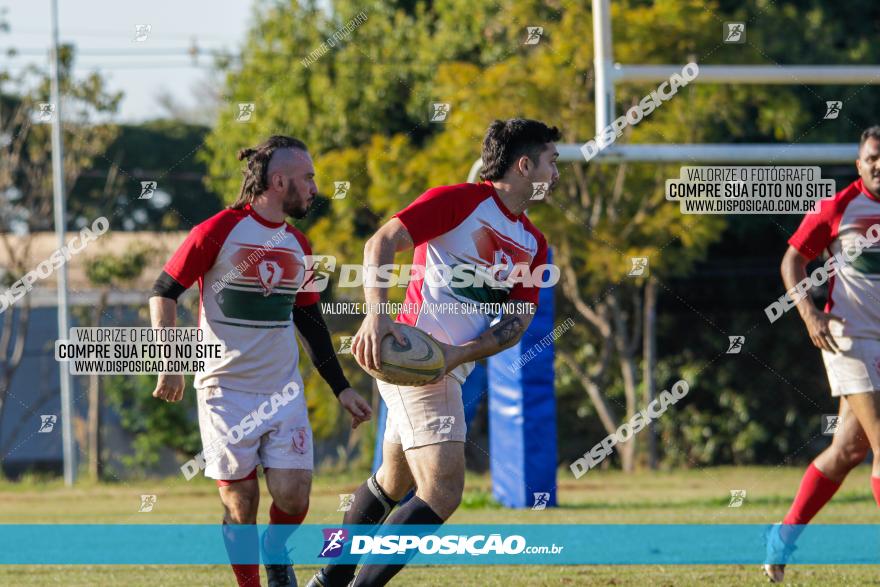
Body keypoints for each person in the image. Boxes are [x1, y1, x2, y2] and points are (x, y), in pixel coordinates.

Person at [309, 118, 560, 586]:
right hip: (412, 359)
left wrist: (456, 356)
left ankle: (327, 580)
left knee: (393, 481)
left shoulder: (534, 243)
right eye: (552, 161)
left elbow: (517, 323)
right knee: (443, 490)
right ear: (525, 166)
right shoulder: (459, 201)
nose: (558, 172)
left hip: (445, 367)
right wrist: (376, 315)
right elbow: (380, 242)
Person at [150, 135, 372, 587]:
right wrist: (168, 360)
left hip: (282, 390)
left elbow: (309, 319)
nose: (314, 187)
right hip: (223, 392)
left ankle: (276, 551)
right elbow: (164, 292)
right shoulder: (217, 230)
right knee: (240, 502)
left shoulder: (300, 244)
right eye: (307, 178)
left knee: (294, 497)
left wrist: (342, 387)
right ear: (278, 181)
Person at [764, 126, 880, 583]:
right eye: (872, 157)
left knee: (849, 448)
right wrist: (810, 314)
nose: (879, 164)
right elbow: (793, 260)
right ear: (859, 164)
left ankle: (783, 537)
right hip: (850, 339)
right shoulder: (839, 206)